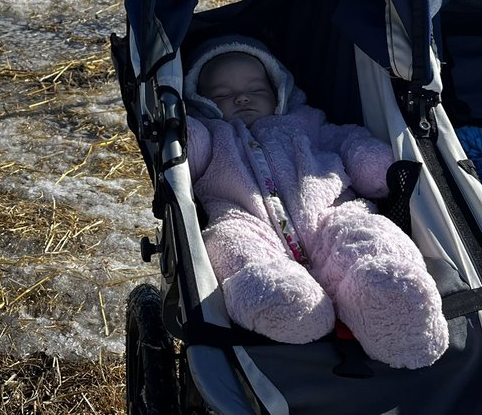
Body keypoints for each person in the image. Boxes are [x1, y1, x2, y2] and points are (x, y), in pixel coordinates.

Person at [183, 35, 449, 369]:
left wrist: (373, 165)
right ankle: (284, 300)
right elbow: (186, 153)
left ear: (279, 90)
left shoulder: (306, 122)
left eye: (257, 88)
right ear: (200, 101)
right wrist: (181, 129)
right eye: (221, 94)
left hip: (329, 212)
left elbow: (347, 140)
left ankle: (389, 301)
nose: (241, 97)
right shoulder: (212, 135)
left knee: (366, 231)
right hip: (247, 220)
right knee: (230, 243)